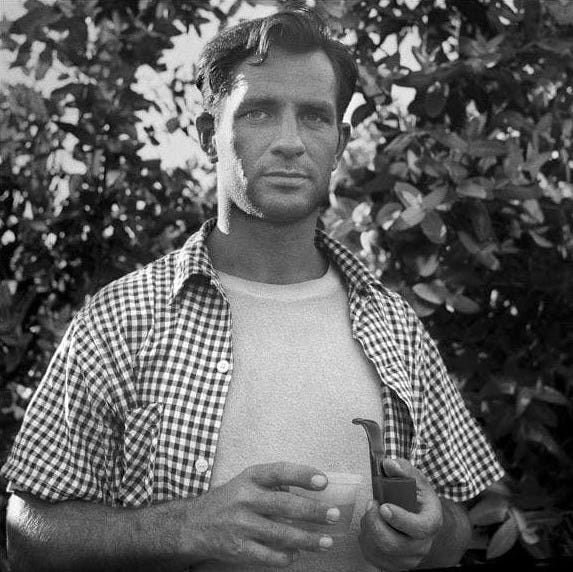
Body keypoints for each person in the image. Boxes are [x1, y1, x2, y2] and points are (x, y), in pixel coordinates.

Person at [2, 6, 505, 572]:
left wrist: (424, 532)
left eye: (314, 117)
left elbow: (457, 522)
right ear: (208, 135)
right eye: (259, 112)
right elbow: (28, 537)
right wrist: (182, 527)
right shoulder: (120, 319)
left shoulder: (395, 325)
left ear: (339, 141)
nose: (290, 142)